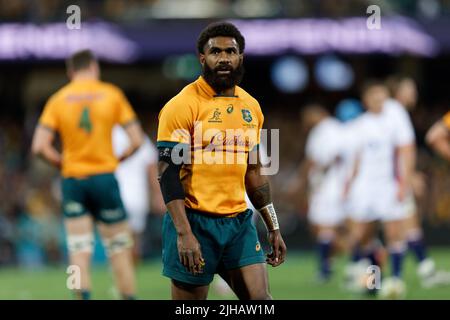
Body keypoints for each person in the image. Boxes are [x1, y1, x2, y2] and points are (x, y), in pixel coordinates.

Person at [156, 21, 286, 300]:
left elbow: (255, 173)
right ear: (202, 58)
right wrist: (184, 233)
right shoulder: (182, 106)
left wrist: (273, 226)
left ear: (241, 57)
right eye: (216, 52)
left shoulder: (251, 107)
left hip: (238, 223)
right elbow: (167, 175)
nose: (224, 58)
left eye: (231, 51)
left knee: (261, 302)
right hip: (194, 222)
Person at [31, 49, 143, 300]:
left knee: (79, 249)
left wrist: (61, 162)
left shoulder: (59, 99)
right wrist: (118, 159)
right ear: (94, 68)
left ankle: (81, 296)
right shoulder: (111, 94)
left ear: (71, 71)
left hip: (73, 180)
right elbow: (136, 140)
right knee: (119, 249)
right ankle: (128, 296)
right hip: (104, 177)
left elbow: (39, 146)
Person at [345, 81, 410, 298]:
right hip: (365, 186)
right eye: (374, 96)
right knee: (365, 235)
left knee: (394, 232)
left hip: (387, 184)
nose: (378, 100)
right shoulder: (360, 125)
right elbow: (355, 159)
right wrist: (349, 184)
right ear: (366, 100)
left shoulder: (394, 122)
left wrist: (403, 183)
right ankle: (373, 281)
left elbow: (404, 152)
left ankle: (396, 279)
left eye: (382, 96)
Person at [387, 76, 450, 288]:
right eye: (410, 89)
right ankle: (385, 278)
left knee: (409, 224)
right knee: (392, 228)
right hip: (391, 180)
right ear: (399, 91)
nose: (414, 93)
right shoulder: (395, 112)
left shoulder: (395, 112)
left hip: (392, 178)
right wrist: (410, 175)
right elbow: (397, 148)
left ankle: (425, 270)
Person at [300, 104, 348, 282]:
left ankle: (327, 269)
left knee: (323, 228)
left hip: (328, 186)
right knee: (327, 228)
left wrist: (311, 181)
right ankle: (332, 265)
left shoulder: (325, 130)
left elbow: (318, 160)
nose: (306, 121)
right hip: (336, 185)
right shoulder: (337, 128)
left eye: (308, 117)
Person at [112, 126, 166, 263]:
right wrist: (158, 194)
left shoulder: (106, 133)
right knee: (134, 242)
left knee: (117, 243)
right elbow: (151, 167)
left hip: (114, 193)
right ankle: (130, 279)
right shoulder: (139, 136)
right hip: (137, 197)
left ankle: (122, 279)